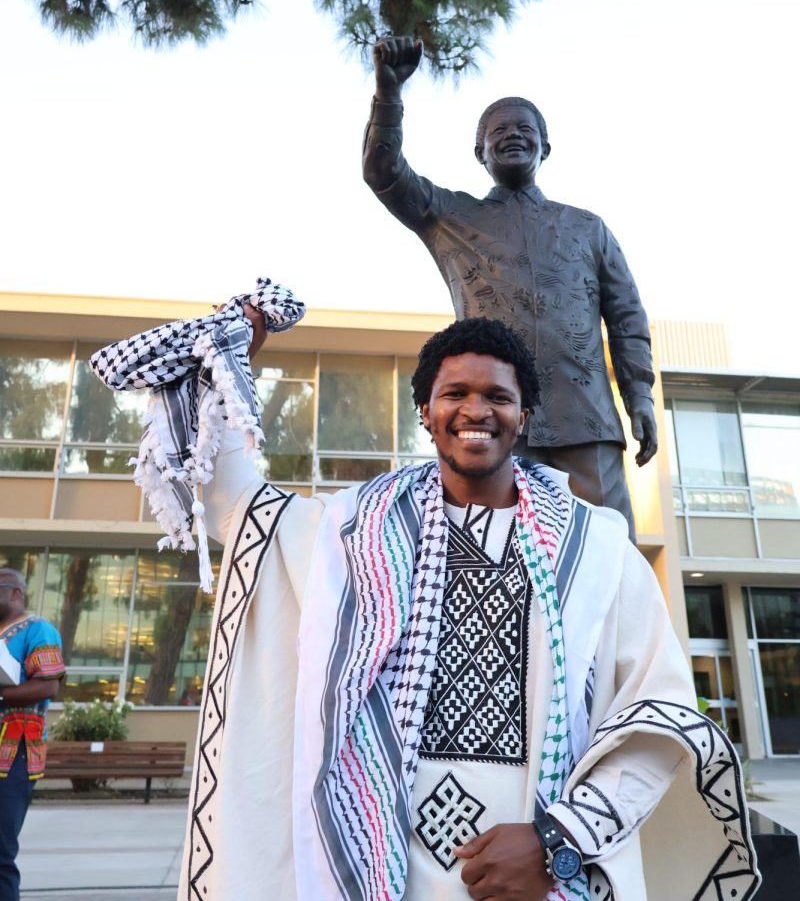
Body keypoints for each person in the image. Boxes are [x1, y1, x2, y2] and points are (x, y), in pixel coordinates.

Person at [178, 313, 757, 901]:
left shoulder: (596, 551)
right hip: (382, 871)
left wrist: (558, 841)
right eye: (454, 393)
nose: (476, 411)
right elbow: (235, 504)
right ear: (425, 413)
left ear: (522, 416)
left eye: (497, 396)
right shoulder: (352, 536)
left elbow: (659, 715)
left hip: (541, 878)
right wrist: (226, 368)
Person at [363, 37, 658, 540]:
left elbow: (627, 320)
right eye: (498, 131)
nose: (512, 136)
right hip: (492, 421)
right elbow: (383, 173)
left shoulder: (588, 227)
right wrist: (388, 95)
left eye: (525, 129)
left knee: (608, 558)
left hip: (586, 420)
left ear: (547, 146)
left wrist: (640, 397)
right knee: (493, 557)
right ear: (479, 151)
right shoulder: (451, 216)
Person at [0, 568, 65, 901]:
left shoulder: (39, 629)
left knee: (0, 852)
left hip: (13, 755)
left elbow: (49, 684)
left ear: (15, 593)